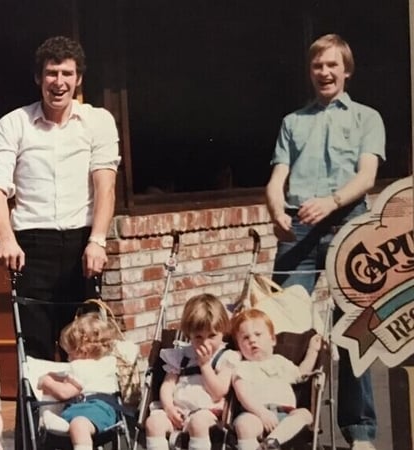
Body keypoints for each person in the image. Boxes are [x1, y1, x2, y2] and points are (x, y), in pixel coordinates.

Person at [265, 34, 383, 450]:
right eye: (318, 66)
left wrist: (332, 202)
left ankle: (361, 431)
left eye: (332, 65)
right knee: (287, 331)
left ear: (346, 70)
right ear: (310, 71)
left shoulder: (367, 118)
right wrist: (277, 210)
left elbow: (366, 177)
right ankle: (289, 426)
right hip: (298, 230)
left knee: (352, 330)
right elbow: (277, 179)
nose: (325, 73)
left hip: (350, 226)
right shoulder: (292, 122)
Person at [0, 36, 120, 362]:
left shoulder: (98, 121)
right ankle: (38, 415)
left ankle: (88, 414)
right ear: (38, 78)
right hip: (31, 249)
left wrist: (98, 241)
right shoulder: (12, 125)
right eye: (51, 73)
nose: (58, 83)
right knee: (35, 354)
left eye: (67, 74)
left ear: (78, 79)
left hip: (82, 248)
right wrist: (6, 239)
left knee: (86, 351)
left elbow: (105, 186)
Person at [143, 294, 241, 450]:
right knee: (153, 423)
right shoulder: (181, 355)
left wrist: (205, 365)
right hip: (177, 410)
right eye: (198, 337)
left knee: (198, 423)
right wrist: (168, 408)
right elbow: (168, 385)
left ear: (223, 331)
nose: (205, 342)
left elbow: (219, 392)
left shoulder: (226, 357)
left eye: (212, 336)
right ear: (189, 335)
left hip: (207, 411)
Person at [231, 309, 322, 450]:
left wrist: (312, 351)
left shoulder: (280, 362)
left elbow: (301, 374)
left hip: (286, 416)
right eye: (245, 338)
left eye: (258, 334)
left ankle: (271, 443)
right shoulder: (243, 367)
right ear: (239, 346)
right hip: (255, 415)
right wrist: (262, 413)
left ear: (272, 340)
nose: (252, 340)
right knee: (244, 425)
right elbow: (243, 395)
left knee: (305, 414)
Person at [37, 311, 121, 450]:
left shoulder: (80, 367)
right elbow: (71, 378)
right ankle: (61, 422)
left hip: (93, 409)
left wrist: (47, 382)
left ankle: (61, 425)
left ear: (83, 351)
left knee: (78, 425)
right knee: (77, 423)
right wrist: (57, 377)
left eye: (70, 354)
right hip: (107, 411)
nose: (68, 359)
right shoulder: (106, 363)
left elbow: (65, 392)